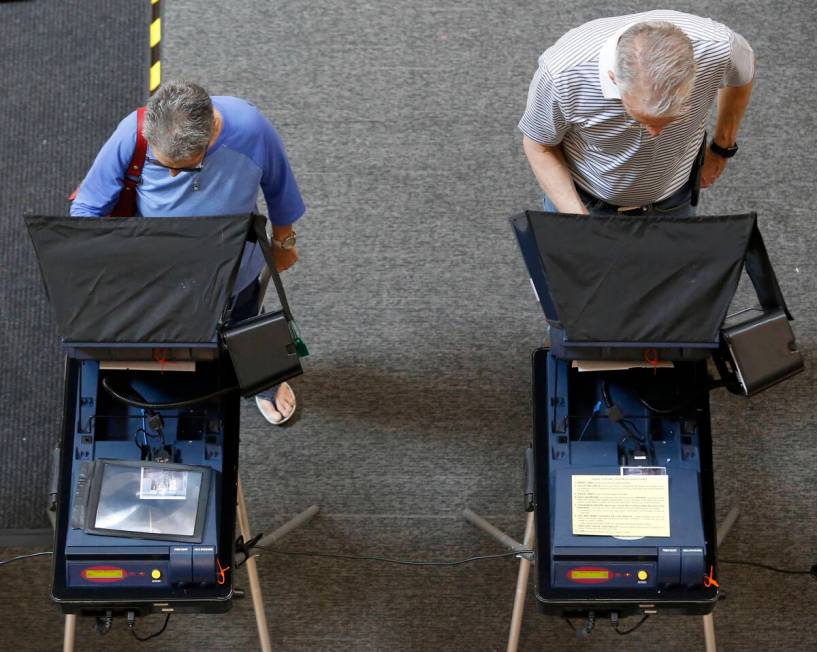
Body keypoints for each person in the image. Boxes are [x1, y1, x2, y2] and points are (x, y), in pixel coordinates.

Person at [71, 80, 304, 425]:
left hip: (234, 269)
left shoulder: (252, 130)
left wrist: (283, 244)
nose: (171, 174)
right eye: (161, 164)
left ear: (210, 140)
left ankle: (265, 383)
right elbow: (86, 209)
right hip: (159, 274)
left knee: (248, 317)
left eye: (181, 168)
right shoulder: (132, 133)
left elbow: (279, 188)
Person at [519, 10, 755, 216]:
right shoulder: (563, 75)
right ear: (614, 79)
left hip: (675, 199)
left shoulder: (720, 48)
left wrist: (722, 148)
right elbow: (539, 145)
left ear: (694, 72)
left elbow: (743, 74)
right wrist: (580, 222)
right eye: (640, 119)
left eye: (671, 120)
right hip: (584, 202)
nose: (656, 134)